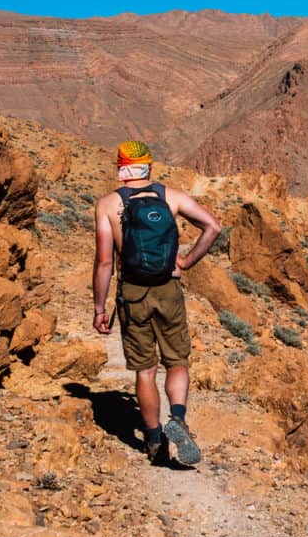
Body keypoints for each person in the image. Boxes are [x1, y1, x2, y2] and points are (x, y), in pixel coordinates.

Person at [92, 140, 221, 465]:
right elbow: (213, 227)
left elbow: (105, 262)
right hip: (168, 289)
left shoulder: (108, 205)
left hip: (132, 293)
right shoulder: (171, 197)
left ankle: (153, 441)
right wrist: (186, 262)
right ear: (148, 166)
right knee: (176, 362)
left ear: (121, 168)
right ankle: (177, 417)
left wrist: (99, 308)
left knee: (146, 370)